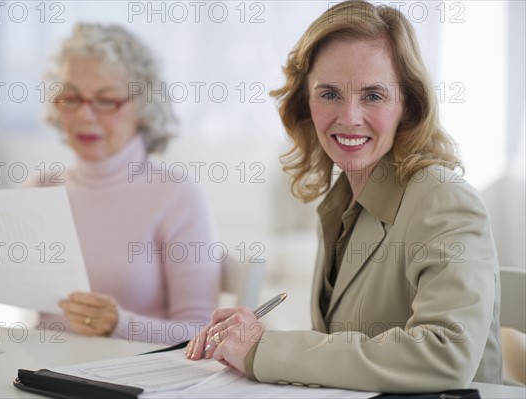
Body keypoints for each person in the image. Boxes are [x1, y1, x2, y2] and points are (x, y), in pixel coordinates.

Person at [186, 0, 502, 392]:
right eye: (329, 93)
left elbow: (445, 352)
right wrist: (253, 337)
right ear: (306, 101)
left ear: (408, 105)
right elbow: (347, 347)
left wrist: (266, 350)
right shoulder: (340, 203)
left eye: (372, 95)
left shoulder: (443, 199)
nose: (349, 117)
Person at [0, 23, 220, 344]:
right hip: (43, 380)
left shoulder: (178, 196)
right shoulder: (42, 189)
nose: (84, 115)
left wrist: (119, 324)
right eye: (71, 98)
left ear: (144, 108)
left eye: (106, 100)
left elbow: (200, 333)